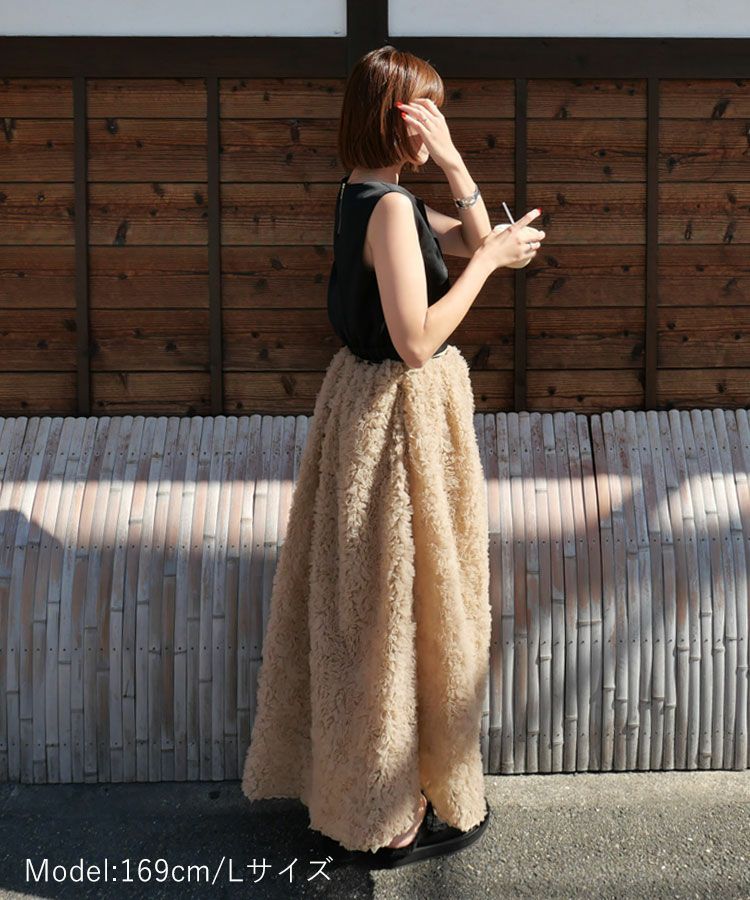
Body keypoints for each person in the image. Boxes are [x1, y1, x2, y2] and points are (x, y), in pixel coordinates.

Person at [241, 44, 546, 869]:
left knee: (382, 610)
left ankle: (378, 793)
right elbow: (416, 341)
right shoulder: (386, 212)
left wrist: (455, 166)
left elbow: (478, 235)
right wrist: (486, 265)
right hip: (396, 426)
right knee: (395, 613)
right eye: (428, 112)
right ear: (396, 118)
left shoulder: (369, 196)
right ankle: (390, 816)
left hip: (367, 414)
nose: (438, 123)